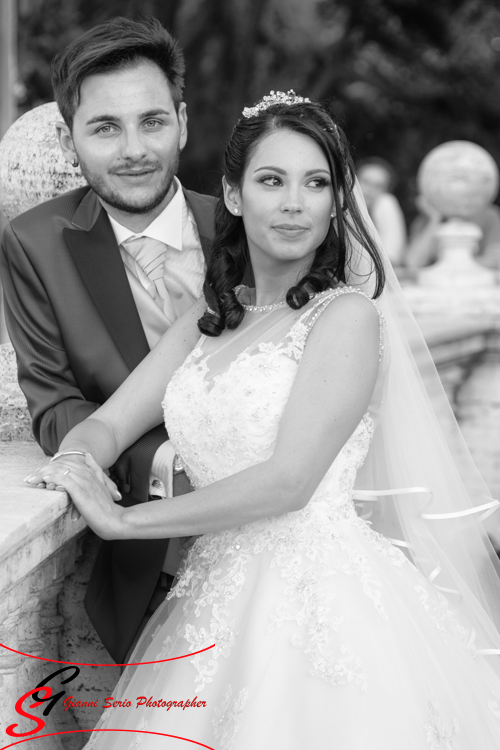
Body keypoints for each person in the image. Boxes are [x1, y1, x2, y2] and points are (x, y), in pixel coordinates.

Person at [26, 92, 500, 748]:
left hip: (322, 607)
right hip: (212, 598)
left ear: (336, 203)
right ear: (235, 195)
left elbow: (289, 481)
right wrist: (77, 459)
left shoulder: (345, 318)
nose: (295, 202)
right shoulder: (206, 319)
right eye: (272, 181)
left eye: (316, 183)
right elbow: (107, 424)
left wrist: (125, 520)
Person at [0, 17, 219, 665]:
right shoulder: (35, 242)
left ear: (183, 122)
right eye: (104, 127)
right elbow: (54, 402)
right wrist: (160, 462)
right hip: (144, 564)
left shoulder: (244, 229)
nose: (134, 149)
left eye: (152, 121)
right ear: (71, 143)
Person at [406, 193, 500, 272]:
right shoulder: (426, 220)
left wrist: (451, 265)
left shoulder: (489, 215)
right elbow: (413, 262)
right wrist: (434, 219)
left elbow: (494, 260)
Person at [357, 157, 407, 266]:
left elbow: (392, 259)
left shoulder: (385, 203)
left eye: (378, 186)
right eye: (366, 182)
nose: (370, 189)